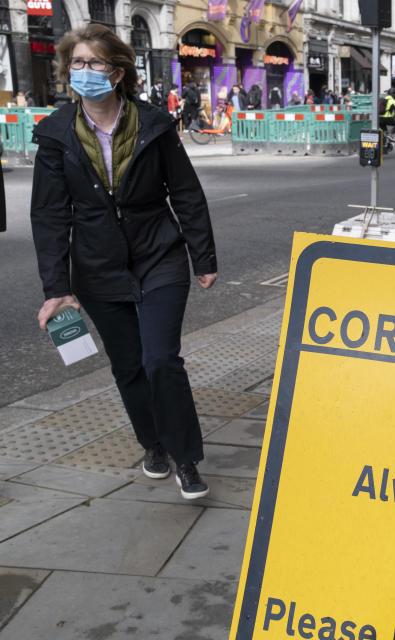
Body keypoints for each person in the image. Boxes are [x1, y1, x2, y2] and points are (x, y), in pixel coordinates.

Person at [30, 23, 217, 500]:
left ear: (116, 73)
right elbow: (50, 215)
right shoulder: (55, 134)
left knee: (160, 361)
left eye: (93, 63)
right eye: (76, 63)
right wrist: (57, 287)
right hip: (96, 266)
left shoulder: (154, 124)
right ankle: (152, 444)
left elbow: (186, 193)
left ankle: (186, 458)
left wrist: (203, 257)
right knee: (128, 366)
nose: (83, 71)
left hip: (160, 255)